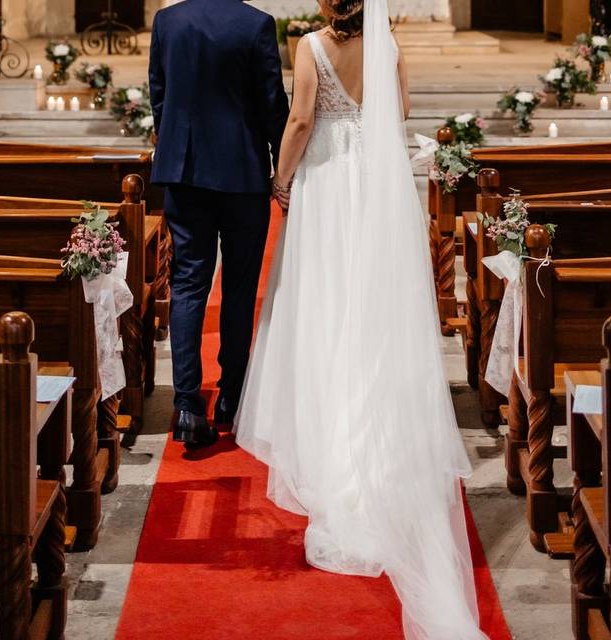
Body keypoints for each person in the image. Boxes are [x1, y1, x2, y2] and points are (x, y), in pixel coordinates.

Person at [233, 0, 489, 637]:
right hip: (376, 184)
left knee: (326, 305)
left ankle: (333, 446)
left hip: (324, 180)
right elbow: (398, 112)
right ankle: (376, 439)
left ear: (323, 3)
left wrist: (281, 180)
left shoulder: (309, 47)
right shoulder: (391, 44)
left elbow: (298, 120)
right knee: (372, 307)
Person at [148, 0, 290, 449]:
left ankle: (188, 404)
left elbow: (160, 93)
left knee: (189, 281)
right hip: (241, 172)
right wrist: (284, 162)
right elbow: (271, 102)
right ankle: (231, 396)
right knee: (240, 287)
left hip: (184, 170)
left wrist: (174, 146)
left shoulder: (167, 20)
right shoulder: (255, 24)